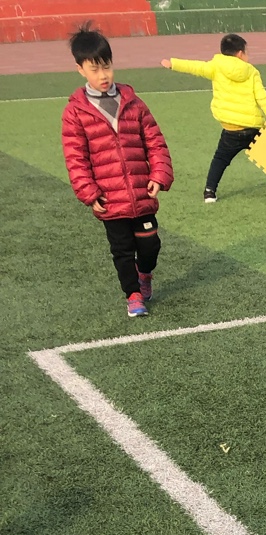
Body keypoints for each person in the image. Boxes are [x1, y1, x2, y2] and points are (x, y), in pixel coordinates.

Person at [61, 24, 173, 320]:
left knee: (150, 245)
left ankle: (144, 274)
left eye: (107, 66)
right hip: (109, 198)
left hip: (140, 191)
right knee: (122, 250)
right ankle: (133, 295)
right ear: (80, 70)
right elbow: (75, 158)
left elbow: (155, 141)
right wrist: (89, 193)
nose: (103, 75)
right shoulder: (75, 111)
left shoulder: (133, 102)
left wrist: (159, 175)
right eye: (95, 69)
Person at [160, 35, 266, 202]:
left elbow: (195, 67)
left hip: (231, 129)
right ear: (239, 53)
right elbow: (262, 97)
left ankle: (209, 192)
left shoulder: (216, 66)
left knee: (220, 160)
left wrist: (173, 63)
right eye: (246, 52)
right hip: (252, 127)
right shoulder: (251, 72)